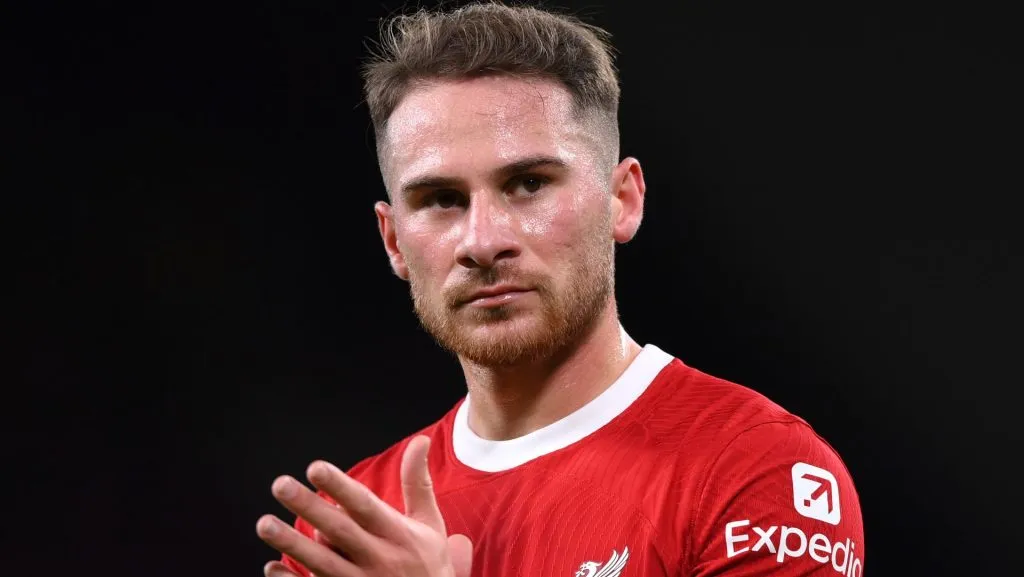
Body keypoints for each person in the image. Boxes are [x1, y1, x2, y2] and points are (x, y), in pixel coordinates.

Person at [255, 2, 865, 576]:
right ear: (393, 240)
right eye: (440, 199)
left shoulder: (756, 469)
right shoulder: (353, 529)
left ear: (621, 200)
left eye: (528, 183)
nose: (483, 240)